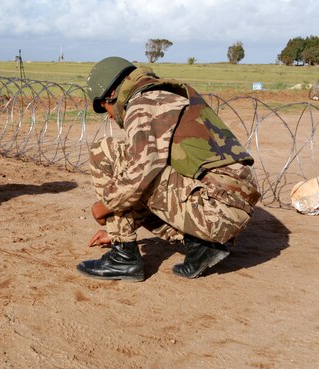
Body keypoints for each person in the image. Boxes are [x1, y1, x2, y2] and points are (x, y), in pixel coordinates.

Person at [76, 57, 260, 281]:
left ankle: (123, 257)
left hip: (216, 208)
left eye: (106, 108)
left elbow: (140, 174)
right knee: (139, 173)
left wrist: (105, 207)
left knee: (106, 151)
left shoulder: (142, 103)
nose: (112, 116)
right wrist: (118, 228)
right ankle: (200, 246)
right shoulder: (165, 96)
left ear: (112, 94)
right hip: (228, 206)